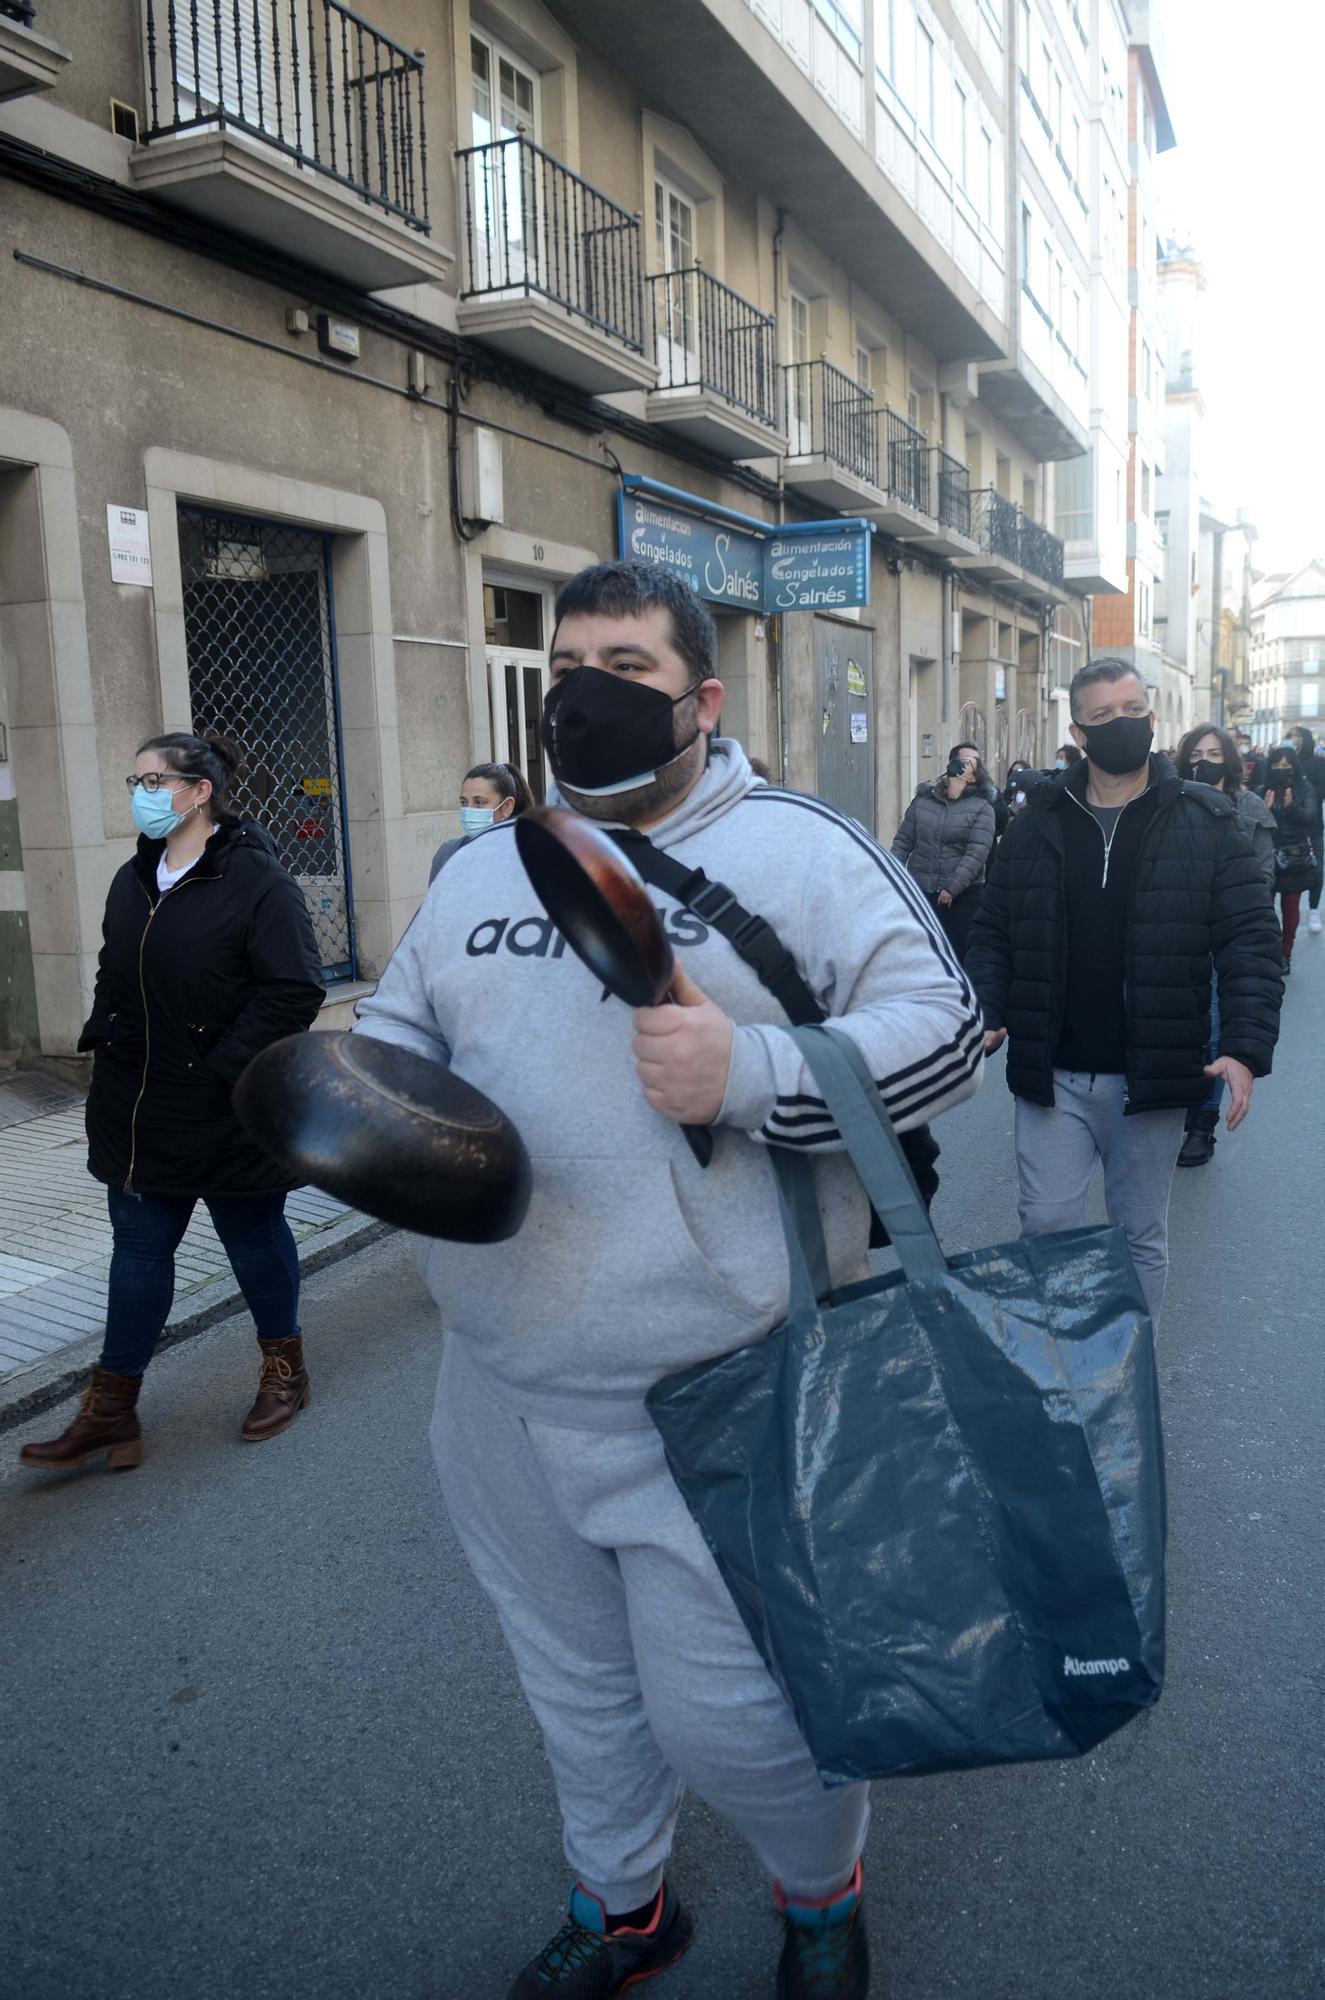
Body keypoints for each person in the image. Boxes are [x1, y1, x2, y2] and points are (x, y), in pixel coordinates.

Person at [355, 559, 985, 2000]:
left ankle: (819, 1893)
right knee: (573, 1687)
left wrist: (753, 1070)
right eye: (565, 661)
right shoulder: (478, 872)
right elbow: (398, 1032)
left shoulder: (805, 851)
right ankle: (626, 1905)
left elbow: (946, 1032)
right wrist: (344, 1109)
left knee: (741, 1719)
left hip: (728, 1384)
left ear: (702, 699)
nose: (584, 691)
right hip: (503, 1383)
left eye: (626, 668)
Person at [20, 733, 326, 1475]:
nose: (142, 792)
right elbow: (113, 963)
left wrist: (221, 1066)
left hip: (224, 1106)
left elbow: (294, 989)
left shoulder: (259, 882)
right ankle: (111, 1410)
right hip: (136, 1105)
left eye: (156, 780)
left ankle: (285, 1370)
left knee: (252, 1242)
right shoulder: (136, 876)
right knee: (140, 1253)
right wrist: (103, 1031)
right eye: (137, 778)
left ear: (200, 792)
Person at [967, 660, 1283, 1326]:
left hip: (1151, 1073)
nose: (1122, 724)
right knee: (1046, 1227)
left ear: (1151, 716)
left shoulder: (1207, 821)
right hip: (1050, 1073)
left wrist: (1244, 1046)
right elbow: (993, 930)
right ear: (1078, 732)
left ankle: (1124, 1384)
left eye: (1132, 709)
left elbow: (1248, 941)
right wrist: (987, 1009)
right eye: (1104, 716)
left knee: (1138, 1235)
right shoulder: (1036, 823)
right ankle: (1060, 1374)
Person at [1173, 724, 1276, 1167]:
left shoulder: (1248, 807)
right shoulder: (1170, 804)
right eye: (1197, 752)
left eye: (1215, 752)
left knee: (1213, 1030)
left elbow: (1265, 874)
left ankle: (1202, 1123)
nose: (1205, 759)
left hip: (1222, 937)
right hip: (1174, 935)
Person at [891, 745, 996, 961]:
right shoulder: (923, 801)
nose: (963, 765)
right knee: (920, 955)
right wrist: (892, 874)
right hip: (922, 890)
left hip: (961, 897)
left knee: (956, 955)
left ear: (976, 776)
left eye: (970, 763)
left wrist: (952, 887)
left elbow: (977, 853)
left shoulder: (982, 808)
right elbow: (903, 841)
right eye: (961, 760)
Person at [1259, 745, 1318, 975]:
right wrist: (1266, 810)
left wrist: (1291, 807)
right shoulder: (1262, 789)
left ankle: (1285, 953)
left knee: (1291, 909)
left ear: (1294, 766)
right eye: (1276, 765)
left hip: (1295, 859)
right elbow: (1252, 823)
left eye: (1286, 765)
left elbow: (1310, 820)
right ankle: (1267, 950)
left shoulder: (1304, 789)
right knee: (1264, 908)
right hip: (1268, 857)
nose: (1281, 770)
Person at [430, 761, 534, 883]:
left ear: (507, 807)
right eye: (464, 802)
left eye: (479, 802)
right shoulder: (447, 853)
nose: (469, 810)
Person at [1285, 725, 1325, 935]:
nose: (1294, 740)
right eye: (1291, 737)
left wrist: (1305, 787)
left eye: (1297, 737)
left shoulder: (1318, 763)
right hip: (1288, 825)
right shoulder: (1286, 762)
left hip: (1313, 824)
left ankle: (1314, 909)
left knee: (1317, 867)